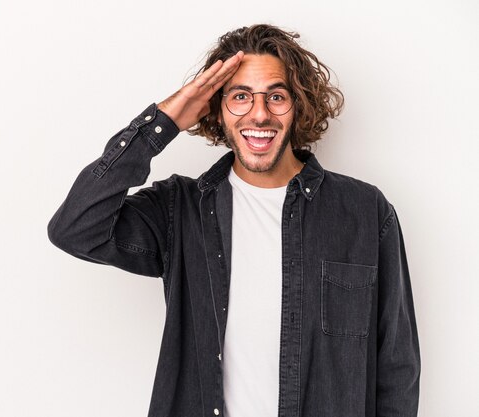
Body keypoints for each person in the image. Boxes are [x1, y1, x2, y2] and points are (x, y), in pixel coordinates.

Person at [48, 24, 420, 417]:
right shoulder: (179, 210)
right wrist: (163, 122)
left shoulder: (364, 211)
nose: (259, 114)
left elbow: (397, 369)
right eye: (240, 96)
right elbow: (75, 229)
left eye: (277, 96)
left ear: (300, 104)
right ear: (216, 107)